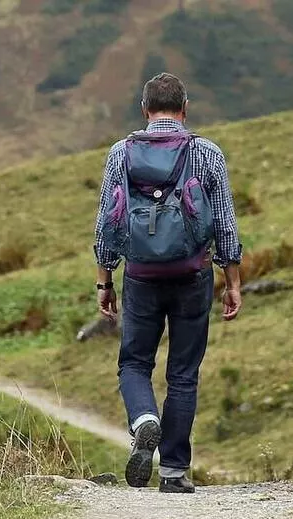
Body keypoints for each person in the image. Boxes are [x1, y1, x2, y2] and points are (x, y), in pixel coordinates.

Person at [93, 72, 243, 494]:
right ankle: (174, 471)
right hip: (193, 274)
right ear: (185, 108)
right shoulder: (207, 153)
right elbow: (226, 224)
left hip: (140, 275)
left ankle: (144, 419)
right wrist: (232, 280)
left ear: (144, 110)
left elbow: (107, 220)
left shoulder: (120, 153)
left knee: (134, 363)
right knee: (183, 373)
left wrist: (105, 279)